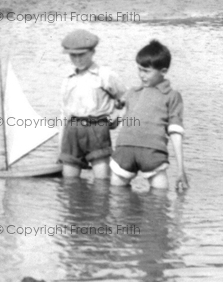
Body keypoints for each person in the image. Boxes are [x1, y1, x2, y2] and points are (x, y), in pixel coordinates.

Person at [110, 41, 188, 191]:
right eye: (139, 69)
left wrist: (180, 170)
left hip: (152, 154)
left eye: (146, 71)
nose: (141, 75)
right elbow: (116, 119)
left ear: (163, 71)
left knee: (158, 203)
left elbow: (176, 132)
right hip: (124, 150)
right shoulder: (132, 92)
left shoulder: (172, 96)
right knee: (116, 201)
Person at [59, 30, 126, 179]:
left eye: (82, 55)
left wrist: (115, 118)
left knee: (102, 181)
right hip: (72, 130)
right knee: (69, 182)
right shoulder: (67, 78)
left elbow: (125, 98)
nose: (77, 59)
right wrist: (60, 148)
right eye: (73, 55)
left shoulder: (105, 75)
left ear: (93, 52)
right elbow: (63, 114)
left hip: (97, 129)